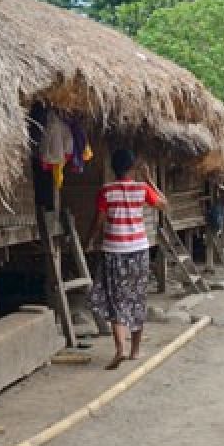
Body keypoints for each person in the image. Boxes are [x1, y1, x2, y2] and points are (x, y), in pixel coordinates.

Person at [86, 149, 167, 370]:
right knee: (137, 298)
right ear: (132, 168)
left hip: (114, 251)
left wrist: (90, 239)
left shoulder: (106, 191)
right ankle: (135, 351)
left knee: (116, 299)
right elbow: (164, 204)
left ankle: (120, 347)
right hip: (139, 251)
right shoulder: (142, 189)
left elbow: (100, 220)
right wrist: (149, 180)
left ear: (113, 167)